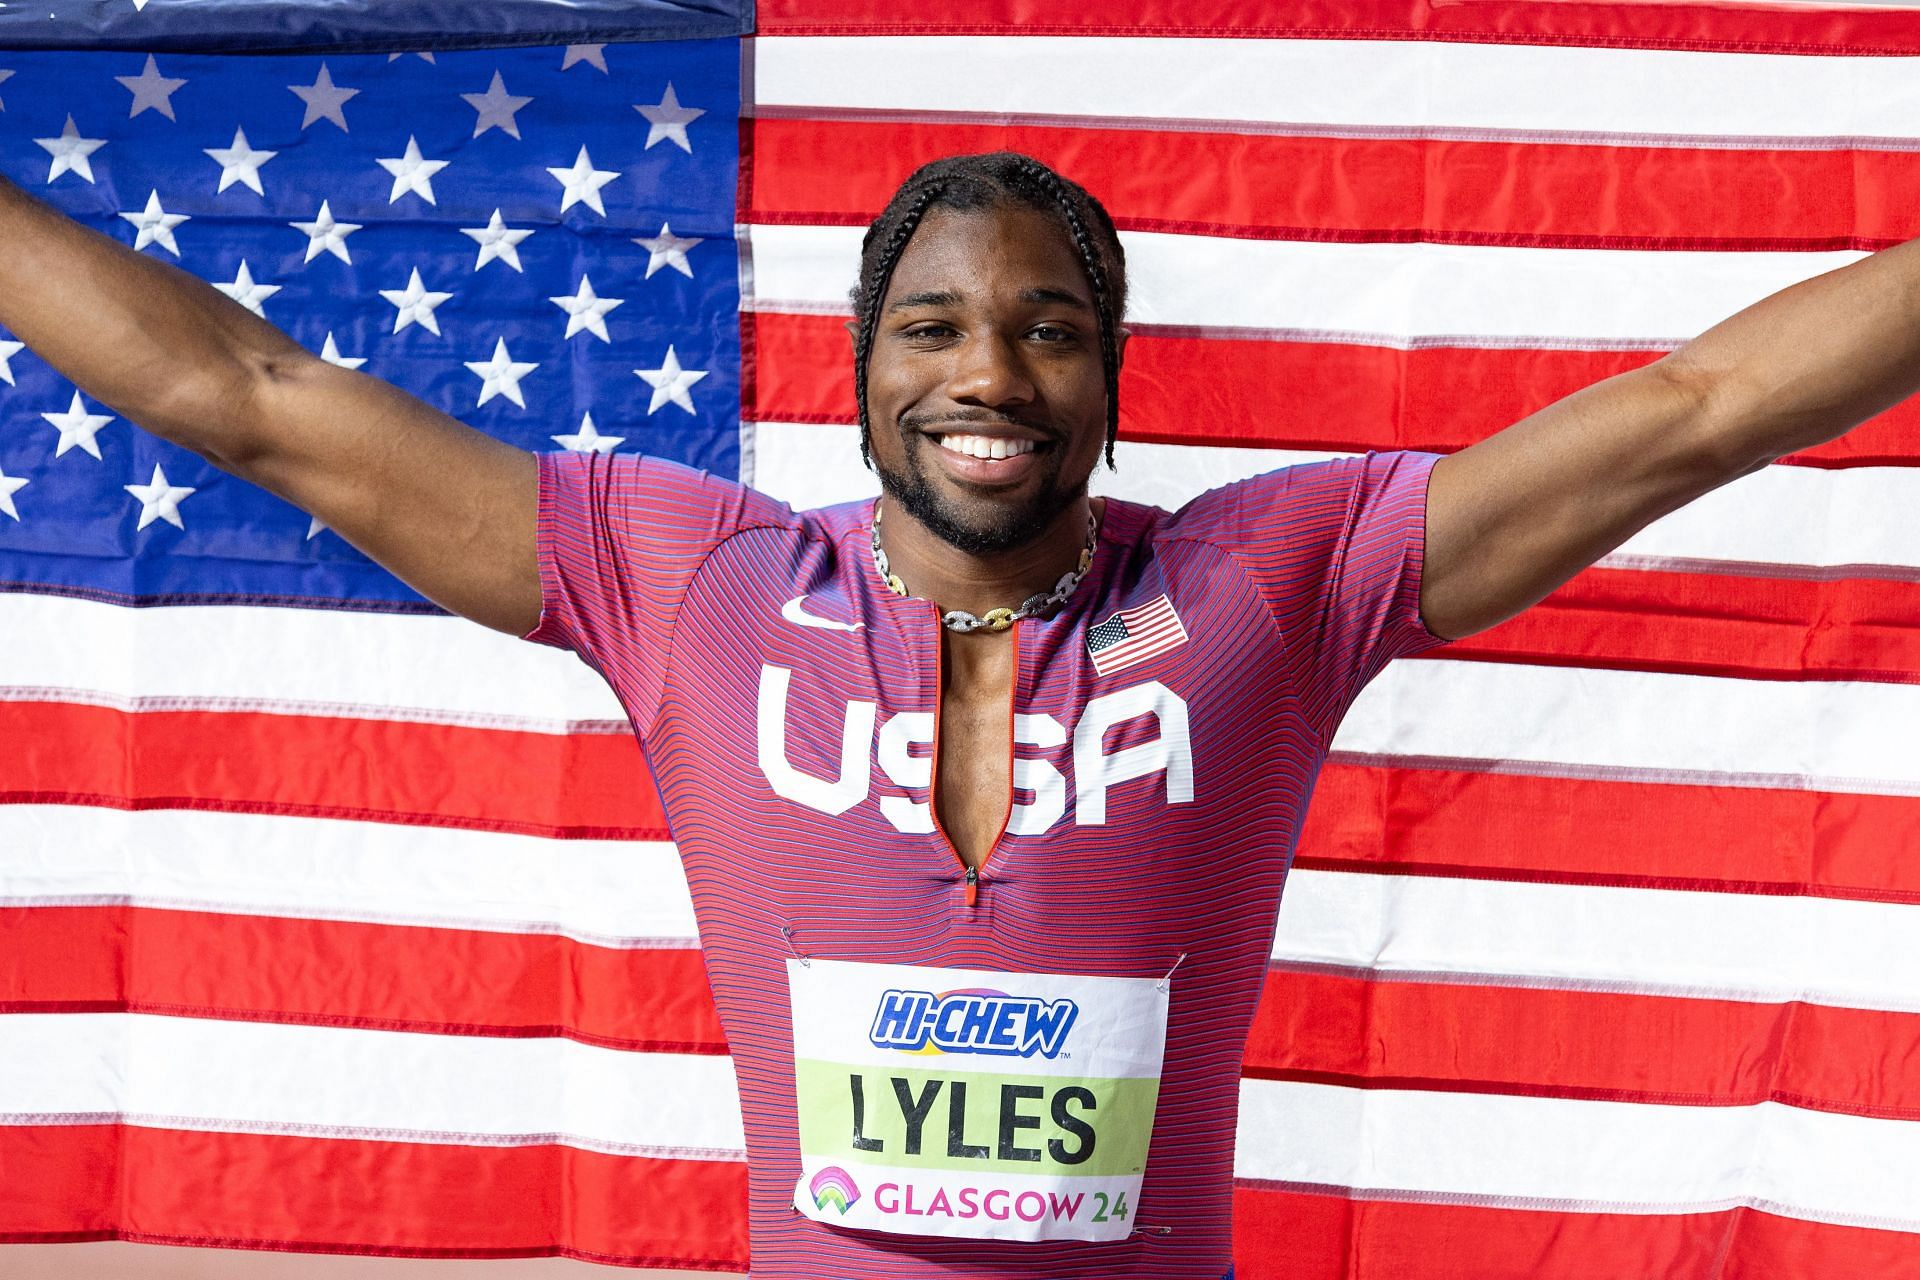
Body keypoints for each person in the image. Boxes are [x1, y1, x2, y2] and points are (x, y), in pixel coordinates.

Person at [0, 148, 1914, 1278]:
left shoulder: (1270, 579)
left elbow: (1694, 410)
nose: (985, 370)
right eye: (932, 325)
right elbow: (241, 393)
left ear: (1111, 374)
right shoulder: (691, 586)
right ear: (860, 367)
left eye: (1047, 325)